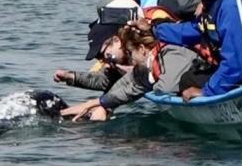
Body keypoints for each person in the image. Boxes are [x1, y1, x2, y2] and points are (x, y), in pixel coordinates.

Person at [59, 25, 214, 121]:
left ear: (141, 49)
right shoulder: (148, 62)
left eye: (130, 53)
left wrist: (145, 79)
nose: (130, 59)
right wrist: (98, 104)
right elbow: (128, 84)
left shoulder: (169, 53)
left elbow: (166, 88)